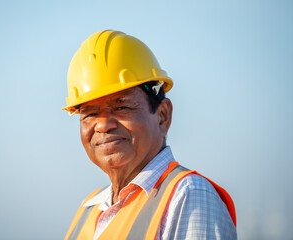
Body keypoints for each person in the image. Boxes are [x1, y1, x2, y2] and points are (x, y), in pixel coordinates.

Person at [62, 30, 237, 240]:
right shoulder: (88, 210)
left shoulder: (189, 197)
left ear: (162, 116)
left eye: (121, 107)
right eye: (90, 113)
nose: (103, 125)